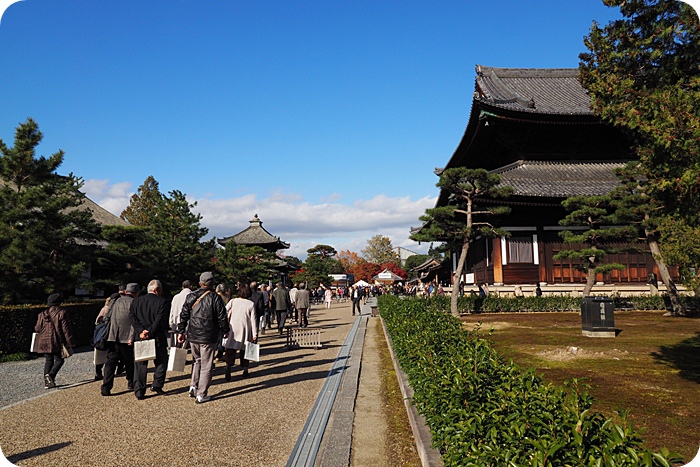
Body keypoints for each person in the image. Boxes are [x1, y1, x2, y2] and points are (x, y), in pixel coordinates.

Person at [178, 272, 229, 404]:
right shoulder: (215, 298)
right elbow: (222, 317)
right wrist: (225, 330)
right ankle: (202, 394)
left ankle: (193, 386)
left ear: (200, 283)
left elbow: (183, 314)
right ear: (212, 284)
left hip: (193, 334)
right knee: (207, 365)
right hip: (208, 334)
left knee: (197, 361)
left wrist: (181, 331)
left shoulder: (191, 296)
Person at [130, 279, 170, 400]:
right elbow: (159, 319)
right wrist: (150, 331)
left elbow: (132, 318)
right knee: (162, 361)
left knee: (141, 364)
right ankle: (157, 384)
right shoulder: (162, 302)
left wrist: (141, 331)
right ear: (157, 290)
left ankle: (139, 390)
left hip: (140, 336)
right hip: (156, 335)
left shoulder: (136, 301)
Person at [101, 284, 138, 396]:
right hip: (126, 337)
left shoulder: (115, 301)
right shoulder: (134, 303)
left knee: (110, 363)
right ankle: (131, 382)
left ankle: (106, 386)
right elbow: (134, 322)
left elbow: (107, 317)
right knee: (129, 361)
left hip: (113, 335)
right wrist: (132, 337)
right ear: (136, 293)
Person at [34, 293, 75, 389]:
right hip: (56, 340)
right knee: (59, 359)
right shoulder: (62, 313)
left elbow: (37, 328)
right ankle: (51, 376)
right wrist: (70, 342)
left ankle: (47, 383)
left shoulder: (42, 314)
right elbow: (66, 329)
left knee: (48, 360)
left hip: (43, 341)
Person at [224, 283, 258, 381]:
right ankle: (245, 369)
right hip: (245, 328)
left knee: (230, 349)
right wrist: (255, 334)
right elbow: (253, 320)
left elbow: (225, 310)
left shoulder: (233, 301)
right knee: (245, 350)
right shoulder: (250, 304)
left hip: (233, 328)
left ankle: (228, 366)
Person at [94, 292, 120, 381]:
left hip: (102, 334)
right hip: (109, 334)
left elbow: (97, 320)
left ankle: (98, 372)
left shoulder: (104, 308)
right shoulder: (112, 309)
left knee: (100, 355)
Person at [169, 280, 193, 347]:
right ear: (191, 287)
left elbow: (172, 311)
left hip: (176, 323)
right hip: (188, 325)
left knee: (177, 344)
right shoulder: (193, 296)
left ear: (182, 287)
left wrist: (171, 323)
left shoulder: (175, 297)